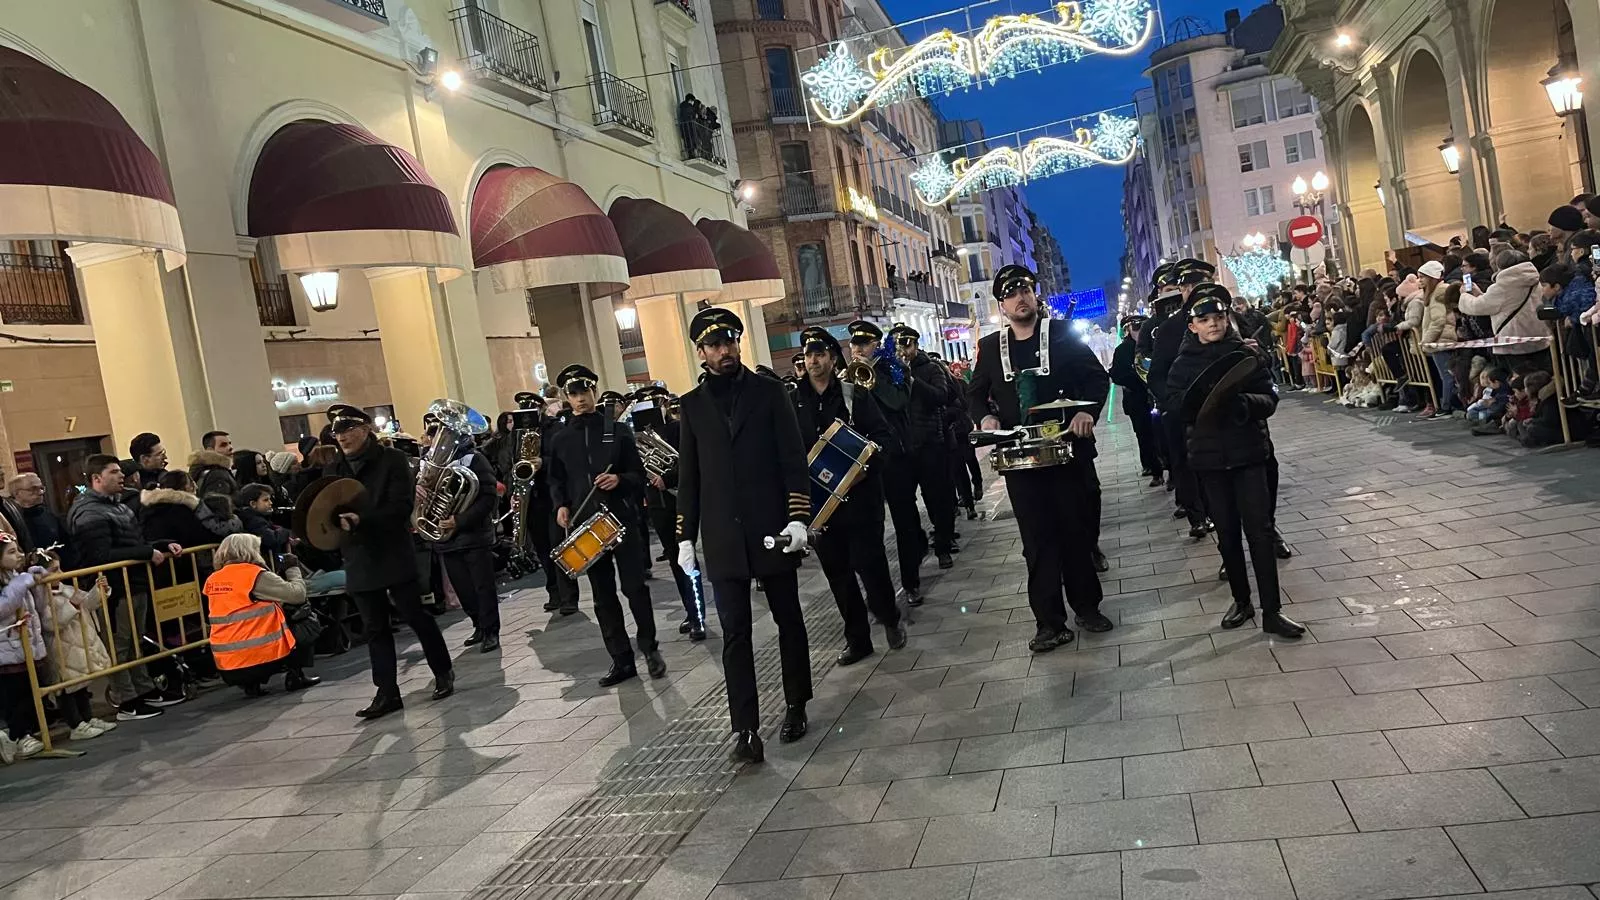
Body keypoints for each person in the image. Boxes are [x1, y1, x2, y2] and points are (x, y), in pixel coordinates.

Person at [676, 307, 812, 763]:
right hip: (722, 536)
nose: (726, 350)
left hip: (771, 526)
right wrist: (683, 537)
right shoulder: (691, 406)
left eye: (730, 341)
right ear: (701, 353)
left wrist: (798, 518)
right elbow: (690, 478)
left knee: (788, 618)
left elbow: (793, 459)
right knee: (735, 633)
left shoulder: (770, 393)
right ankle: (745, 728)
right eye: (715, 345)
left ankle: (795, 704)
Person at [967, 265, 1113, 652]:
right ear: (1002, 304)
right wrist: (985, 415)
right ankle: (1049, 623)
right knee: (1036, 542)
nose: (1020, 298)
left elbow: (1098, 380)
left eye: (1025, 290)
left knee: (1075, 533)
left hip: (1067, 453)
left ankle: (1087, 608)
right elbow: (974, 394)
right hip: (1021, 461)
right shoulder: (989, 347)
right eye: (1011, 294)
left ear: (1035, 295)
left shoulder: (1063, 334)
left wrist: (1087, 413)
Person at [1163, 283, 1303, 639]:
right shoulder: (1182, 364)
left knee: (1260, 531)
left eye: (1219, 317)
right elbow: (1176, 407)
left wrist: (1244, 405)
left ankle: (1273, 610)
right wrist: (1198, 408)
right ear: (1191, 325)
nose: (1213, 324)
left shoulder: (1244, 354)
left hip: (1249, 455)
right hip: (1209, 461)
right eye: (1204, 319)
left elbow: (1269, 396)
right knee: (1226, 534)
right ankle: (1242, 601)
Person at [325, 405, 454, 719]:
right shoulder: (335, 467)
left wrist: (361, 519)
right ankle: (387, 692)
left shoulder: (392, 460)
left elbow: (400, 506)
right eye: (337, 432)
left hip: (392, 550)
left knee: (415, 615)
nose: (342, 436)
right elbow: (325, 507)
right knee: (374, 627)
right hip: (357, 556)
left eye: (348, 429)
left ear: (366, 428)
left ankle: (443, 671)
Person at [792, 326, 906, 665]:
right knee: (837, 573)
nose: (813, 361)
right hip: (823, 507)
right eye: (808, 355)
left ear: (832, 357)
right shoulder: (793, 400)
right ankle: (857, 640)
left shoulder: (853, 395)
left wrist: (863, 471)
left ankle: (889, 617)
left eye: (820, 354)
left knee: (870, 565)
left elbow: (883, 438)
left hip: (860, 498)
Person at [548, 365, 664, 686]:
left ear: (594, 392)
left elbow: (638, 476)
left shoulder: (614, 429)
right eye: (573, 394)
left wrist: (620, 479)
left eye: (585, 392)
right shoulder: (561, 439)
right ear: (566, 398)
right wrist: (561, 505)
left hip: (620, 519)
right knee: (602, 596)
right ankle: (621, 659)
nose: (580, 399)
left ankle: (649, 648)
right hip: (588, 527)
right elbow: (556, 480)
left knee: (635, 589)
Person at [65, 455, 184, 720]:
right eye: (114, 472)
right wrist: (146, 552)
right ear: (97, 479)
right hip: (114, 586)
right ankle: (127, 700)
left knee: (135, 640)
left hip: (134, 581)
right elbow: (100, 554)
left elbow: (132, 540)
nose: (122, 476)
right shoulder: (89, 512)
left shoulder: (117, 506)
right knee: (120, 644)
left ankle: (143, 689)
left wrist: (161, 544)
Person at [848, 320, 927, 604]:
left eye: (864, 344)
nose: (858, 349)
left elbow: (896, 402)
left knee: (905, 522)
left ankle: (911, 582)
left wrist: (871, 377)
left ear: (876, 346)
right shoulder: (849, 377)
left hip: (897, 457)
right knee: (871, 530)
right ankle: (877, 592)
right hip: (868, 462)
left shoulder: (895, 370)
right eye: (855, 344)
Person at [202, 533, 320, 697]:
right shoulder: (254, 574)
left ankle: (251, 686)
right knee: (304, 616)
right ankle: (296, 675)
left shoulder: (213, 579)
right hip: (260, 656)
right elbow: (297, 595)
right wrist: (292, 569)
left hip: (228, 663)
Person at [423, 415, 503, 654]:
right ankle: (478, 624)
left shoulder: (475, 460)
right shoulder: (429, 464)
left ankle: (491, 631)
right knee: (463, 588)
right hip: (447, 540)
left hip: (474, 535)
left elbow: (488, 497)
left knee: (483, 586)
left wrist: (458, 520)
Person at [1149, 259, 1215, 538]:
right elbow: (1156, 374)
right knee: (1187, 466)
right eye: (1189, 286)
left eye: (1201, 284)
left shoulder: (1228, 318)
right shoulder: (1168, 328)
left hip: (1228, 414)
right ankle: (1198, 516)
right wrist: (1174, 405)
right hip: (1185, 415)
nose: (1196, 290)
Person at [636, 385, 707, 641]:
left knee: (687, 557)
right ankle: (690, 610)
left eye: (656, 402)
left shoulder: (677, 428)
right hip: (657, 505)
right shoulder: (635, 437)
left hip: (680, 501)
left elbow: (690, 461)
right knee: (676, 561)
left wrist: (668, 477)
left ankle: (699, 614)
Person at [889, 324, 959, 570]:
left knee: (938, 499)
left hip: (931, 444)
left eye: (907, 345)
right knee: (905, 505)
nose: (903, 351)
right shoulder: (889, 372)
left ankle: (943, 545)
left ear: (916, 345)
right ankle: (917, 545)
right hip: (903, 448)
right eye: (898, 346)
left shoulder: (931, 368)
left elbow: (942, 396)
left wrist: (911, 379)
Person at [1460, 249, 1552, 373]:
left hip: (1515, 342)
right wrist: (1480, 294)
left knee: (1521, 381)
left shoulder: (1503, 286)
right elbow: (1506, 304)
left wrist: (1465, 295)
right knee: (1541, 376)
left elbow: (1478, 307)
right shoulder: (1535, 280)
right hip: (1539, 337)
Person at [0, 538, 50, 758]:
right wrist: (21, 583)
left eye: (18, 550)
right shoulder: (14, 581)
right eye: (11, 552)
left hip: (27, 644)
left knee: (31, 692)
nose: (18, 555)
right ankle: (18, 736)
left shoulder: (15, 577)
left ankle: (26, 733)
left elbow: (37, 606)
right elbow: (4, 607)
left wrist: (38, 583)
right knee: (15, 697)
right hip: (7, 649)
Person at [1110, 314, 1164, 486]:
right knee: (1144, 434)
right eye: (1135, 329)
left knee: (1163, 435)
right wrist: (1135, 380)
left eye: (1142, 328)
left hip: (1158, 396)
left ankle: (1171, 471)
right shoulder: (1123, 350)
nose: (1139, 332)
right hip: (1137, 399)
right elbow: (1117, 375)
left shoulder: (1155, 344)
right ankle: (1154, 469)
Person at [139, 470, 241, 548]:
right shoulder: (181, 510)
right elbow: (202, 536)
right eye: (191, 484)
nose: (196, 487)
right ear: (182, 488)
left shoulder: (148, 509)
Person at [3, 474, 62, 555]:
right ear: (17, 493)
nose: (41, 492)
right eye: (33, 489)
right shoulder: (10, 517)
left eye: (41, 488)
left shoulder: (48, 514)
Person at [237, 484, 292, 555]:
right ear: (253, 504)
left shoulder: (256, 517)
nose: (271, 503)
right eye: (266, 500)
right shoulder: (253, 520)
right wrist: (285, 531)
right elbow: (272, 539)